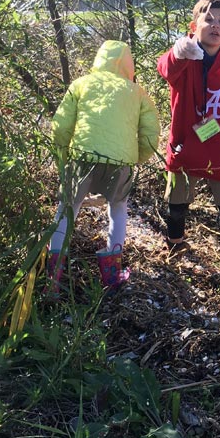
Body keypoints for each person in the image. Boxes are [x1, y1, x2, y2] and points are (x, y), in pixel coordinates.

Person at [157, 0, 220, 293]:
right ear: (194, 26)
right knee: (177, 205)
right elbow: (165, 69)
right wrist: (178, 52)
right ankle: (175, 248)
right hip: (184, 147)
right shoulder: (183, 58)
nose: (215, 25)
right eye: (209, 19)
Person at [46, 39, 159, 292]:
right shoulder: (136, 92)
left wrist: (64, 155)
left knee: (67, 209)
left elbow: (61, 126)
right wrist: (136, 157)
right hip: (120, 162)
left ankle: (53, 275)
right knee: (117, 208)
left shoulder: (81, 84)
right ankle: (111, 273)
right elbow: (151, 134)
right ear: (129, 66)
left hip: (81, 157)